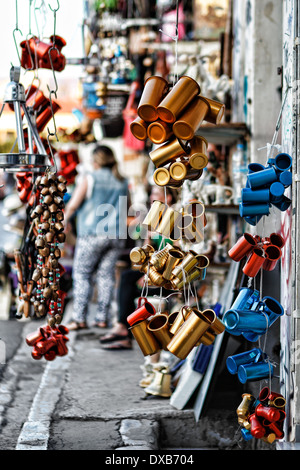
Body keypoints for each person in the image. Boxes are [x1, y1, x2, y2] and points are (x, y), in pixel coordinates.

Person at [99, 185, 179, 350]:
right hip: (154, 272)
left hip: (169, 277)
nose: (151, 197)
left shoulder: (176, 220)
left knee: (129, 286)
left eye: (155, 193)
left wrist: (151, 276)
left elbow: (176, 254)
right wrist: (148, 238)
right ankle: (123, 329)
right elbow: (147, 253)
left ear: (168, 197)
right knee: (128, 277)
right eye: (151, 194)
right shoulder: (155, 219)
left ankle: (124, 331)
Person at [64, 144, 129, 330]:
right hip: (116, 234)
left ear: (95, 160)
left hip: (92, 233)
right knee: (106, 276)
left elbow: (74, 204)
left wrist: (64, 220)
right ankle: (102, 318)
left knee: (82, 274)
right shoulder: (122, 181)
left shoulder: (90, 178)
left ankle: (79, 318)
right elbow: (128, 206)